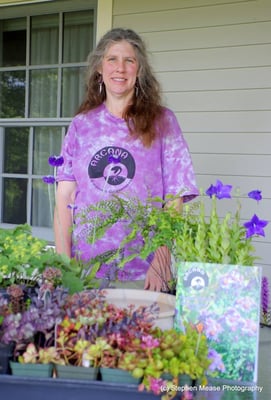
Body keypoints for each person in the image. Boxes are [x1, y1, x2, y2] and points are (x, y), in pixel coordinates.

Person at [54, 27, 198, 291]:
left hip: (144, 273)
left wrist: (161, 261)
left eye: (129, 60)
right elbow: (64, 199)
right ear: (99, 67)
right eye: (112, 59)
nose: (120, 68)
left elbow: (175, 199)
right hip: (86, 271)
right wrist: (64, 266)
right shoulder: (81, 125)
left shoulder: (162, 121)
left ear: (139, 70)